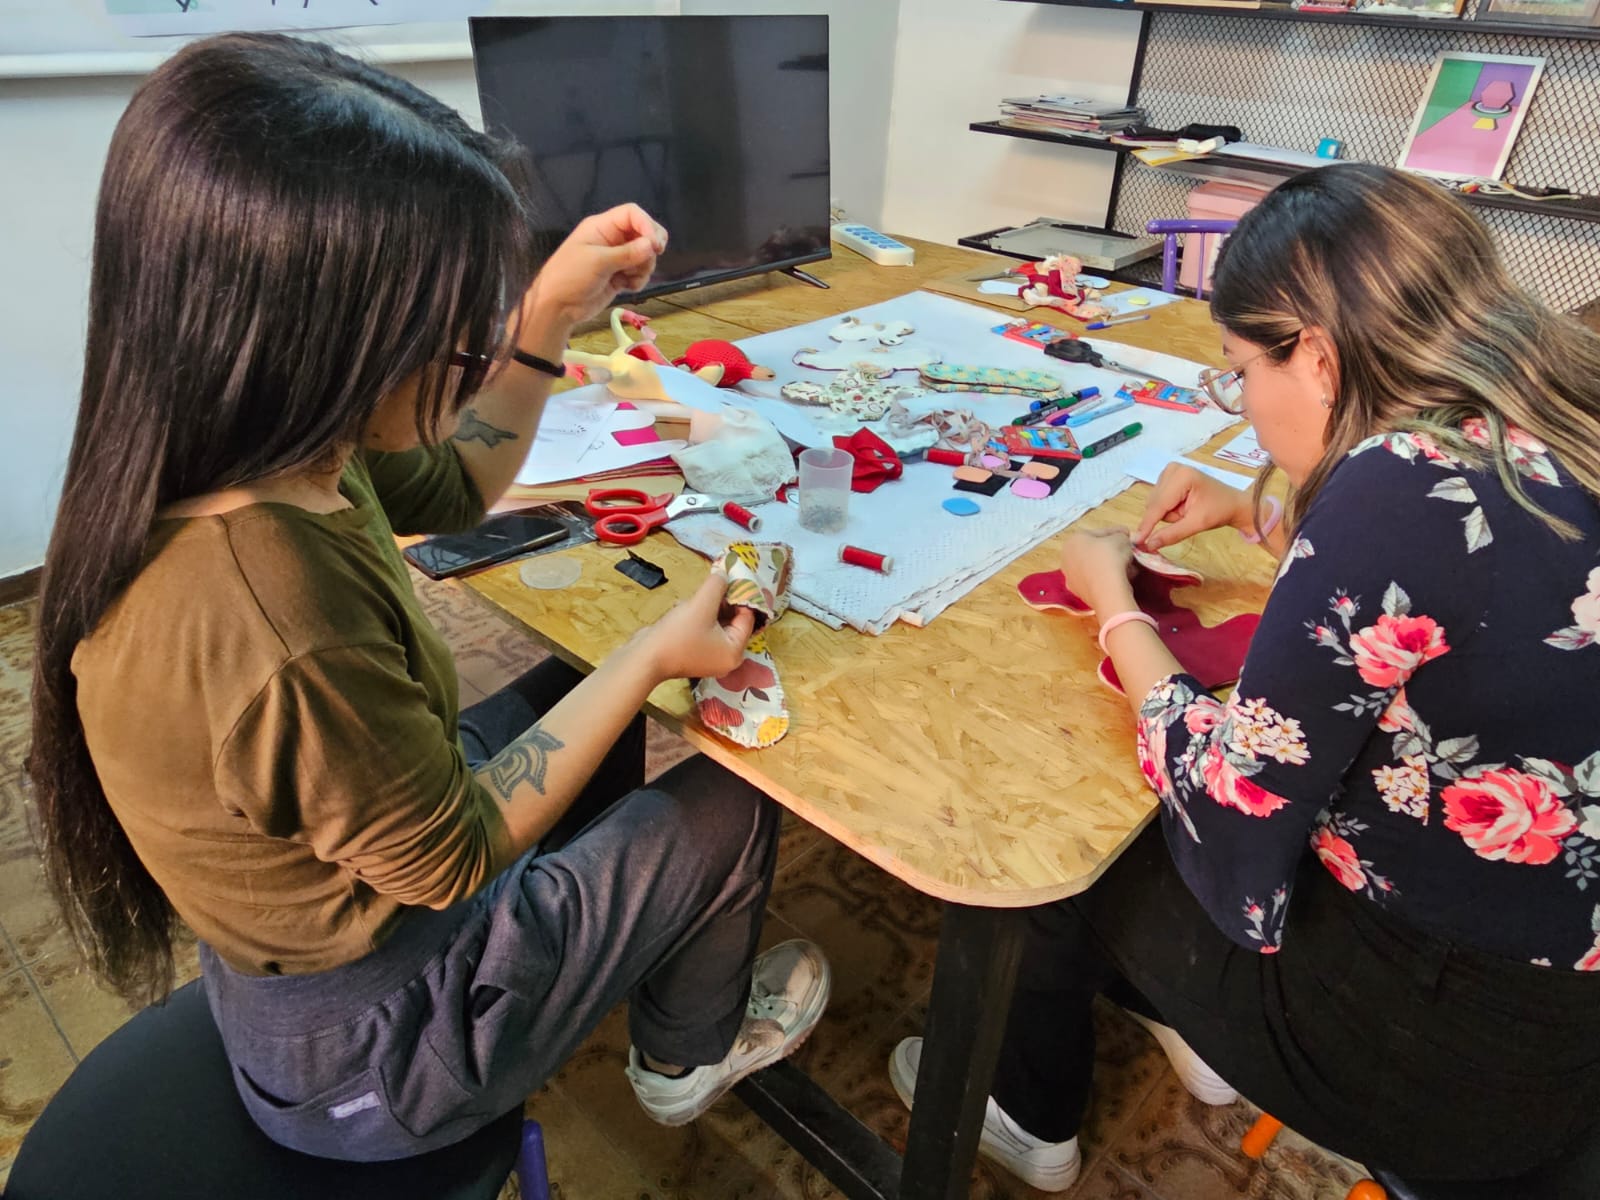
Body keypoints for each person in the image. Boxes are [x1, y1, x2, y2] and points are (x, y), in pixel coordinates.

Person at [26, 32, 829, 1163]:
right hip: (370, 1056)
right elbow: (450, 858)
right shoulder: (269, 622)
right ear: (323, 338)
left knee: (575, 688)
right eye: (449, 327)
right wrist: (647, 658)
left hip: (355, 922)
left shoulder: (281, 447)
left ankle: (605, 943)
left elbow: (454, 484)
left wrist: (549, 312)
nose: (473, 349)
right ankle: (685, 1056)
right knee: (730, 799)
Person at [890, 163, 1600, 1193]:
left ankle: (1021, 1113)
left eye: (1239, 372)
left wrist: (1114, 606)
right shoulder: (1547, 403)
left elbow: (1235, 810)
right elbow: (1470, 600)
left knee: (1051, 845)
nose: (1243, 402)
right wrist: (1256, 512)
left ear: (1313, 355)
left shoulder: (1395, 484)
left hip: (1436, 1047)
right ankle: (1195, 1021)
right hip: (1550, 1011)